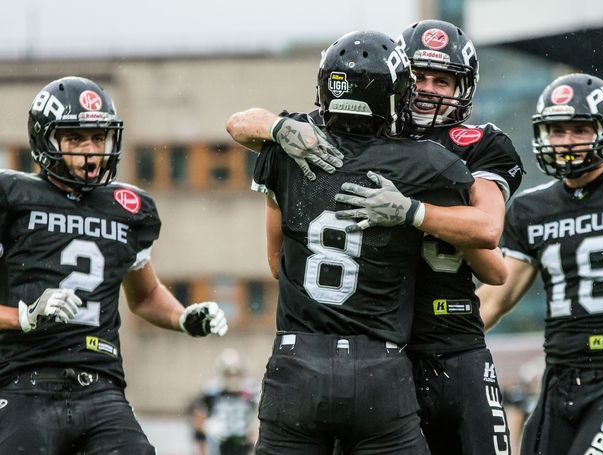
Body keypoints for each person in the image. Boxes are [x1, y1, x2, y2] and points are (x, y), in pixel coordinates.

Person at [227, 19, 524, 454]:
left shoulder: (475, 144)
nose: (427, 89)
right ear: (397, 78)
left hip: (447, 339)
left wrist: (413, 213)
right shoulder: (380, 139)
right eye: (419, 76)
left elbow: (488, 232)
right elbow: (242, 123)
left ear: (464, 88)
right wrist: (279, 126)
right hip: (384, 349)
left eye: (442, 80)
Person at [0, 76, 228, 455]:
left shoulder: (126, 208)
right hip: (25, 383)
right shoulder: (13, 199)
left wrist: (183, 317)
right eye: (76, 139)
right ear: (46, 140)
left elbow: (146, 295)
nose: (91, 151)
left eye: (99, 138)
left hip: (100, 388)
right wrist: (24, 316)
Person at [478, 73, 603, 455]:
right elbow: (493, 301)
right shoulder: (530, 209)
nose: (566, 142)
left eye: (579, 129)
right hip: (559, 377)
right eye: (556, 131)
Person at [190, 348, 258, 455]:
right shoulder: (211, 391)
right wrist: (201, 449)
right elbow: (199, 422)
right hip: (218, 443)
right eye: (229, 373)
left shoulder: (251, 392)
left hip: (244, 443)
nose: (232, 378)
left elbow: (260, 417)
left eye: (236, 373)